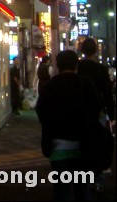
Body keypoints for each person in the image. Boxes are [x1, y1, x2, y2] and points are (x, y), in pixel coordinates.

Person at [36, 49, 102, 202]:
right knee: (82, 189)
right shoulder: (86, 84)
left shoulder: (49, 86)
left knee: (61, 190)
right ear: (76, 65)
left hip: (57, 148)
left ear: (58, 66)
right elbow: (96, 108)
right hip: (84, 145)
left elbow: (42, 112)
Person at [78, 37, 115, 192]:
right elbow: (107, 93)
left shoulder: (77, 68)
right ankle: (98, 179)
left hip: (79, 111)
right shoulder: (101, 69)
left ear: (82, 51)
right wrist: (112, 116)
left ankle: (82, 178)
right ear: (95, 51)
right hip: (97, 111)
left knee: (81, 144)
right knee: (98, 144)